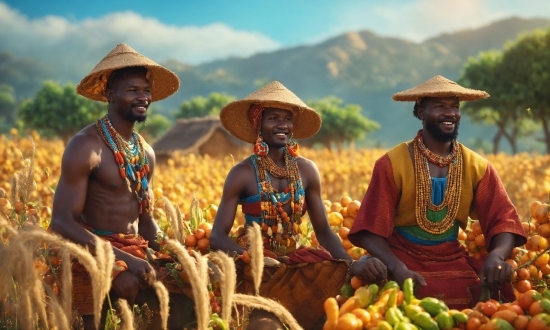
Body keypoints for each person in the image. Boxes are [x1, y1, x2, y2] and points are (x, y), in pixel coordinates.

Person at [210, 81, 387, 329]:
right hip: (256, 269)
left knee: (329, 312)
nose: (282, 125)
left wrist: (351, 264)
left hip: (296, 263)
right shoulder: (241, 173)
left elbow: (324, 231)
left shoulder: (306, 170)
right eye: (273, 118)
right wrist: (254, 258)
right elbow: (217, 236)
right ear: (258, 123)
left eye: (287, 118)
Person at [348, 75, 527, 309]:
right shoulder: (392, 163)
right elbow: (370, 229)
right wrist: (397, 268)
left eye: (454, 106)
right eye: (440, 106)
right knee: (389, 301)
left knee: (486, 296)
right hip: (401, 255)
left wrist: (497, 256)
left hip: (452, 258)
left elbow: (503, 218)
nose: (450, 113)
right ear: (421, 112)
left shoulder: (477, 166)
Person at [50, 43, 193, 328]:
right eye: (132, 90)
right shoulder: (86, 146)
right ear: (110, 94)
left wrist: (174, 254)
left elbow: (146, 222)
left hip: (134, 252)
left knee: (188, 299)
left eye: (146, 90)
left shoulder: (146, 153)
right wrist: (119, 262)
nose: (143, 97)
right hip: (89, 253)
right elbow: (62, 221)